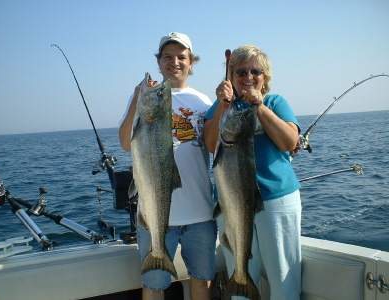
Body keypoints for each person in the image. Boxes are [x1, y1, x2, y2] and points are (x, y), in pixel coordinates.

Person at [119, 32, 217, 300]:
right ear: (159, 61)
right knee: (153, 284)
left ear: (191, 63)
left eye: (181, 57)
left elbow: (215, 145)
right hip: (153, 214)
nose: (174, 62)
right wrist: (137, 102)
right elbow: (126, 143)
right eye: (168, 57)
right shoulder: (143, 97)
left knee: (202, 279)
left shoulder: (203, 102)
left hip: (200, 212)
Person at [204, 45, 302, 300]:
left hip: (275, 199)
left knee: (284, 277)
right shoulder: (221, 105)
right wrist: (222, 106)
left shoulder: (275, 102)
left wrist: (259, 104)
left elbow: (290, 142)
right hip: (231, 199)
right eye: (240, 71)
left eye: (255, 70)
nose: (248, 76)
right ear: (231, 76)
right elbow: (211, 143)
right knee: (241, 267)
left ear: (265, 77)